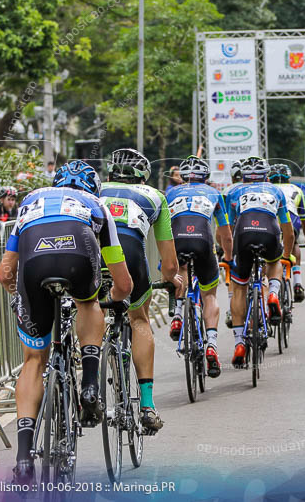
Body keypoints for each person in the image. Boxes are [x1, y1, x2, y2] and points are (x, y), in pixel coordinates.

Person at [0, 160, 133, 484]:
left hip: (33, 267)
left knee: (33, 360)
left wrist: (21, 296)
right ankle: (88, 385)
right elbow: (124, 284)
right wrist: (111, 296)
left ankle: (24, 457)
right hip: (78, 254)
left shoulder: (31, 200)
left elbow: (5, 272)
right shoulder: (97, 205)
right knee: (88, 303)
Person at [99, 148, 184, 433]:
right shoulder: (155, 196)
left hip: (93, 255)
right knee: (139, 319)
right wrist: (171, 279)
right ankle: (147, 405)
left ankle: (89, 363)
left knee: (89, 305)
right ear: (143, 176)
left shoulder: (94, 190)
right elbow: (170, 263)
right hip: (132, 256)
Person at [224, 156, 295, 368]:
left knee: (238, 288)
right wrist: (285, 256)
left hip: (243, 236)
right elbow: (288, 231)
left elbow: (226, 230)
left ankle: (239, 343)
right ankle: (273, 292)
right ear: (266, 174)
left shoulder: (233, 191)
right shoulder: (276, 191)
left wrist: (228, 255)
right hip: (270, 234)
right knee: (275, 262)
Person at [166, 156, 233, 377]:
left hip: (177, 240)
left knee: (181, 270)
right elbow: (225, 232)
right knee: (209, 295)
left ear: (183, 177)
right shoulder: (214, 193)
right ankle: (212, 343)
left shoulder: (170, 193)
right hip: (204, 242)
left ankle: (177, 314)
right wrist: (229, 257)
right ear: (206, 177)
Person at [269, 163, 305, 302]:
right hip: (290, 220)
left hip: (270, 223)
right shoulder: (297, 190)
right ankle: (297, 283)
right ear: (288, 177)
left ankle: (269, 287)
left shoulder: (267, 189)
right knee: (294, 243)